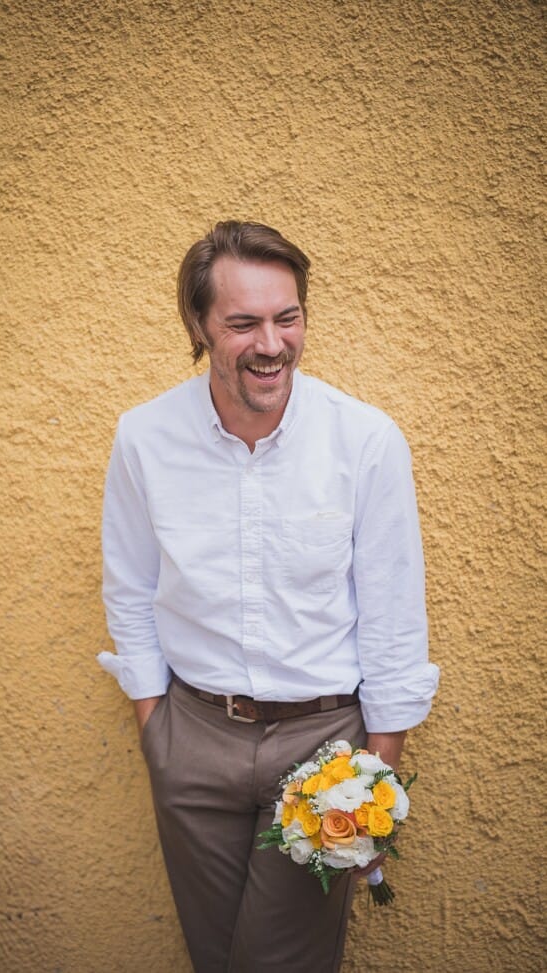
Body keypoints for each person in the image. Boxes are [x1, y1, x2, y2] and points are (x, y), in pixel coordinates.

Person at [98, 221, 438, 972]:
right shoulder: (144, 437)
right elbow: (131, 584)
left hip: (322, 752)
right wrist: (157, 727)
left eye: (288, 317)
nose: (272, 344)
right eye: (243, 322)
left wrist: (372, 780)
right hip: (191, 736)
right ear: (197, 325)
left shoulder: (366, 441)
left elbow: (391, 621)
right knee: (215, 959)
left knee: (280, 964)